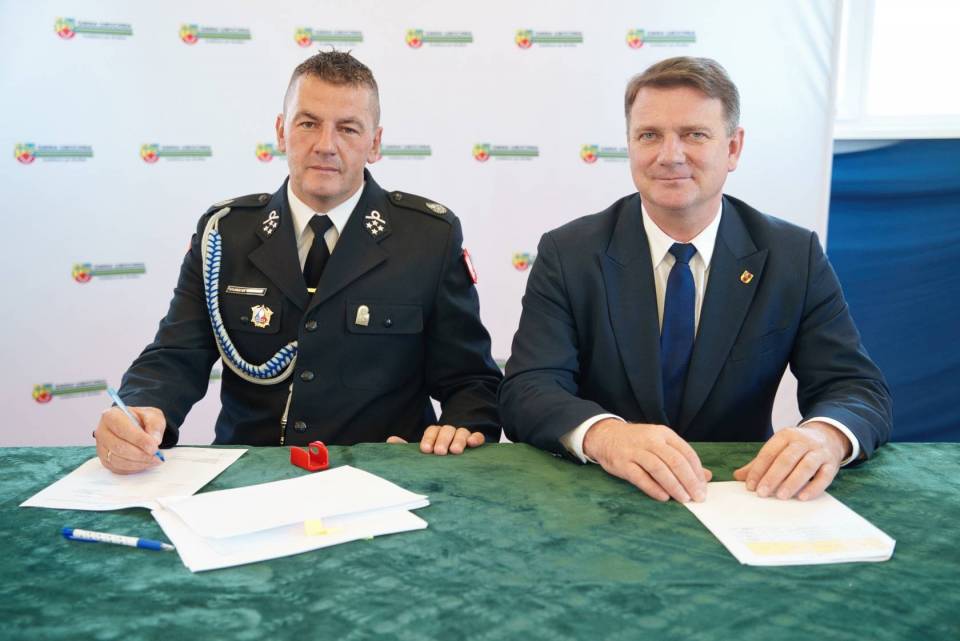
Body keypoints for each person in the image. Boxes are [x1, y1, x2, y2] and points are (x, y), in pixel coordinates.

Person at [500, 57, 891, 503]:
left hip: (741, 493)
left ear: (733, 148)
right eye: (650, 135)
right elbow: (527, 389)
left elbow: (855, 388)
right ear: (630, 145)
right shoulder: (569, 252)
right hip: (602, 493)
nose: (670, 155)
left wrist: (825, 436)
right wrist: (606, 436)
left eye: (694, 135)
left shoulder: (792, 255)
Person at [94, 51, 502, 473]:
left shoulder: (428, 238)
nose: (325, 145)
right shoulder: (226, 233)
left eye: (348, 128)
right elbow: (175, 355)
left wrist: (455, 433)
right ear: (281, 132)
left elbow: (471, 382)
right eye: (308, 123)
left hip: (382, 478)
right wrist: (141, 410)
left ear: (375, 143)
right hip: (251, 476)